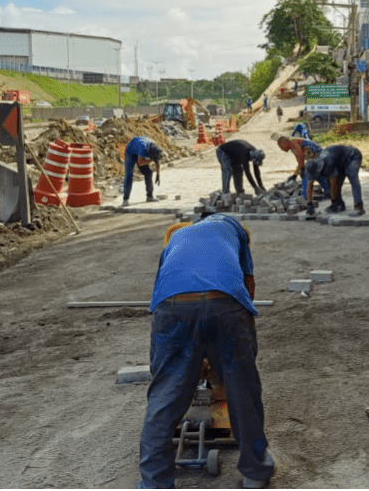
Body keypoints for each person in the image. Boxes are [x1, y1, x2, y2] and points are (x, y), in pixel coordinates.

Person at [136, 214, 275, 489]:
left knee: (164, 396)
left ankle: (155, 482)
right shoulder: (235, 229)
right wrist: (230, 357)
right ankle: (255, 472)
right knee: (243, 387)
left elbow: (162, 290)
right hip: (225, 302)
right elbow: (248, 287)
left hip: (172, 305)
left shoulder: (176, 237)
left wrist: (186, 361)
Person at [303, 144, 364, 216]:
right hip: (339, 161)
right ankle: (340, 205)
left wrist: (333, 200)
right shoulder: (311, 167)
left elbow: (333, 183)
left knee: (352, 176)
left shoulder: (328, 164)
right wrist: (309, 204)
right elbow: (309, 185)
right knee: (331, 182)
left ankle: (359, 206)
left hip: (352, 156)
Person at [272, 133, 330, 201]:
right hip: (320, 157)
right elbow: (300, 163)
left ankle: (304, 197)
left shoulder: (293, 142)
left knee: (307, 175)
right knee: (317, 175)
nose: (281, 149)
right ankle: (328, 192)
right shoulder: (293, 147)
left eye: (281, 147)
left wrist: (303, 169)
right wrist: (294, 176)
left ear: (285, 143)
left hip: (320, 156)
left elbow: (300, 155)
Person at [123, 136, 163, 206]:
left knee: (148, 172)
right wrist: (150, 160)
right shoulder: (143, 148)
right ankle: (125, 199)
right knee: (129, 175)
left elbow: (157, 163)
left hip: (139, 149)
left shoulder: (155, 149)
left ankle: (149, 196)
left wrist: (158, 175)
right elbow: (140, 162)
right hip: (131, 151)